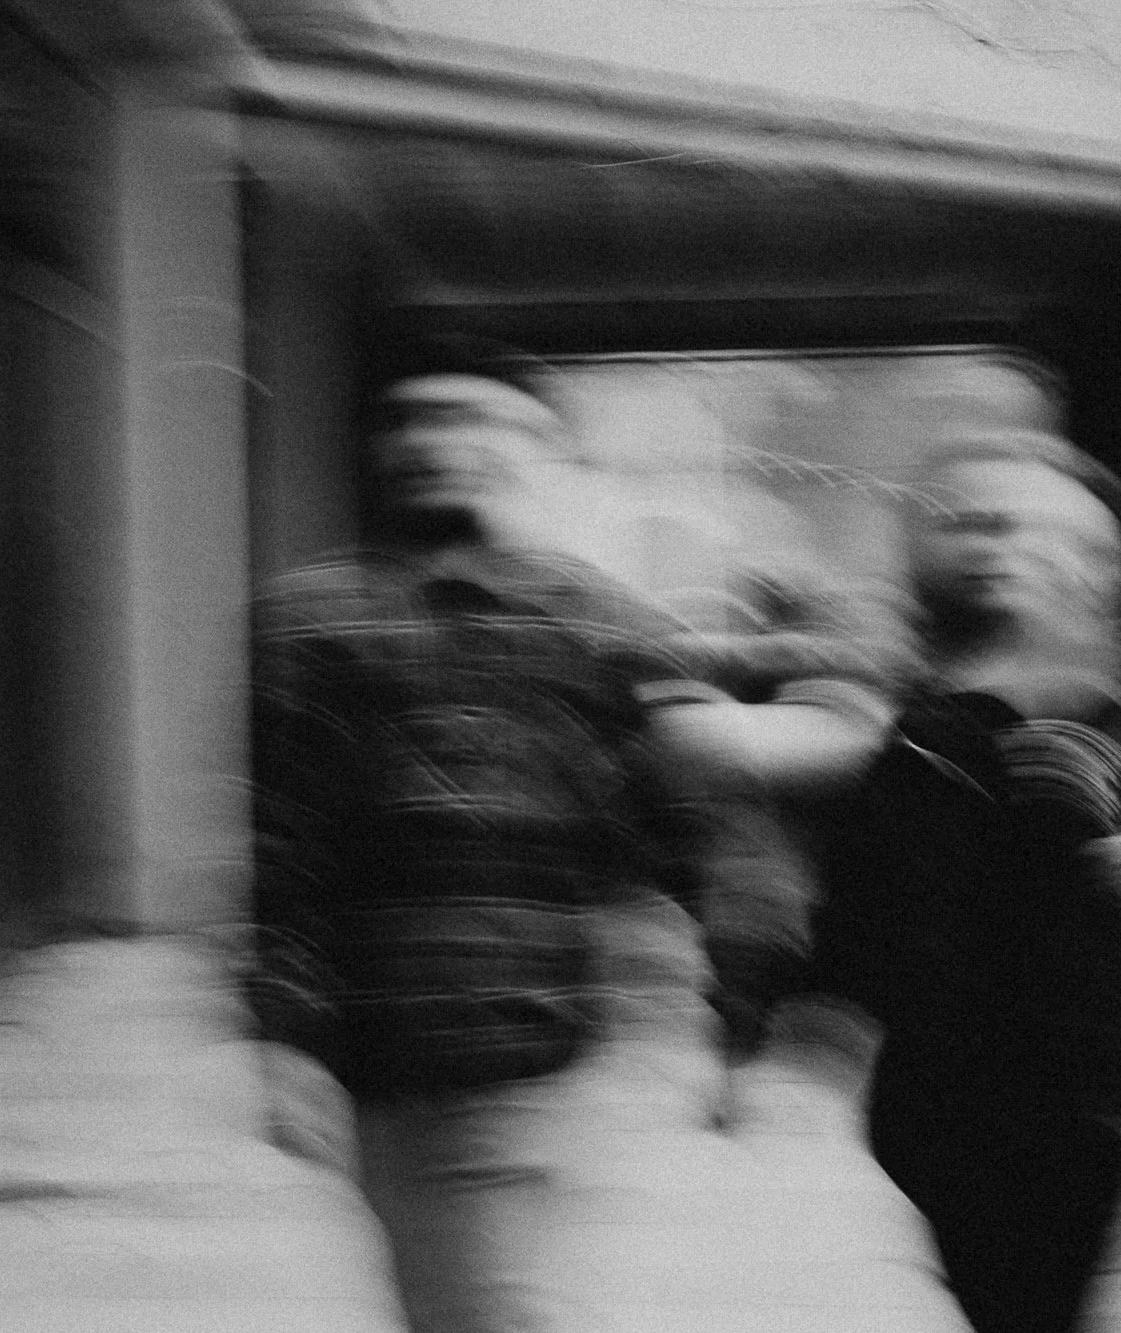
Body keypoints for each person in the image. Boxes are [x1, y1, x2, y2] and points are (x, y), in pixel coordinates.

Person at [244, 371, 889, 1333]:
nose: (444, 440)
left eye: (482, 419)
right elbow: (281, 846)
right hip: (377, 1061)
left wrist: (740, 1022)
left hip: (537, 1054)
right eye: (417, 419)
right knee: (445, 1303)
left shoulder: (607, 629)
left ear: (549, 459)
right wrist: (284, 1038)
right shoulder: (309, 625)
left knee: (503, 1307)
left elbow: (699, 836)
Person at [802, 429, 1121, 1333]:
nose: (1010, 552)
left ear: (1115, 552)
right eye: (971, 525)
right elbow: (861, 885)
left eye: (1054, 537)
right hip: (954, 1085)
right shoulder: (906, 694)